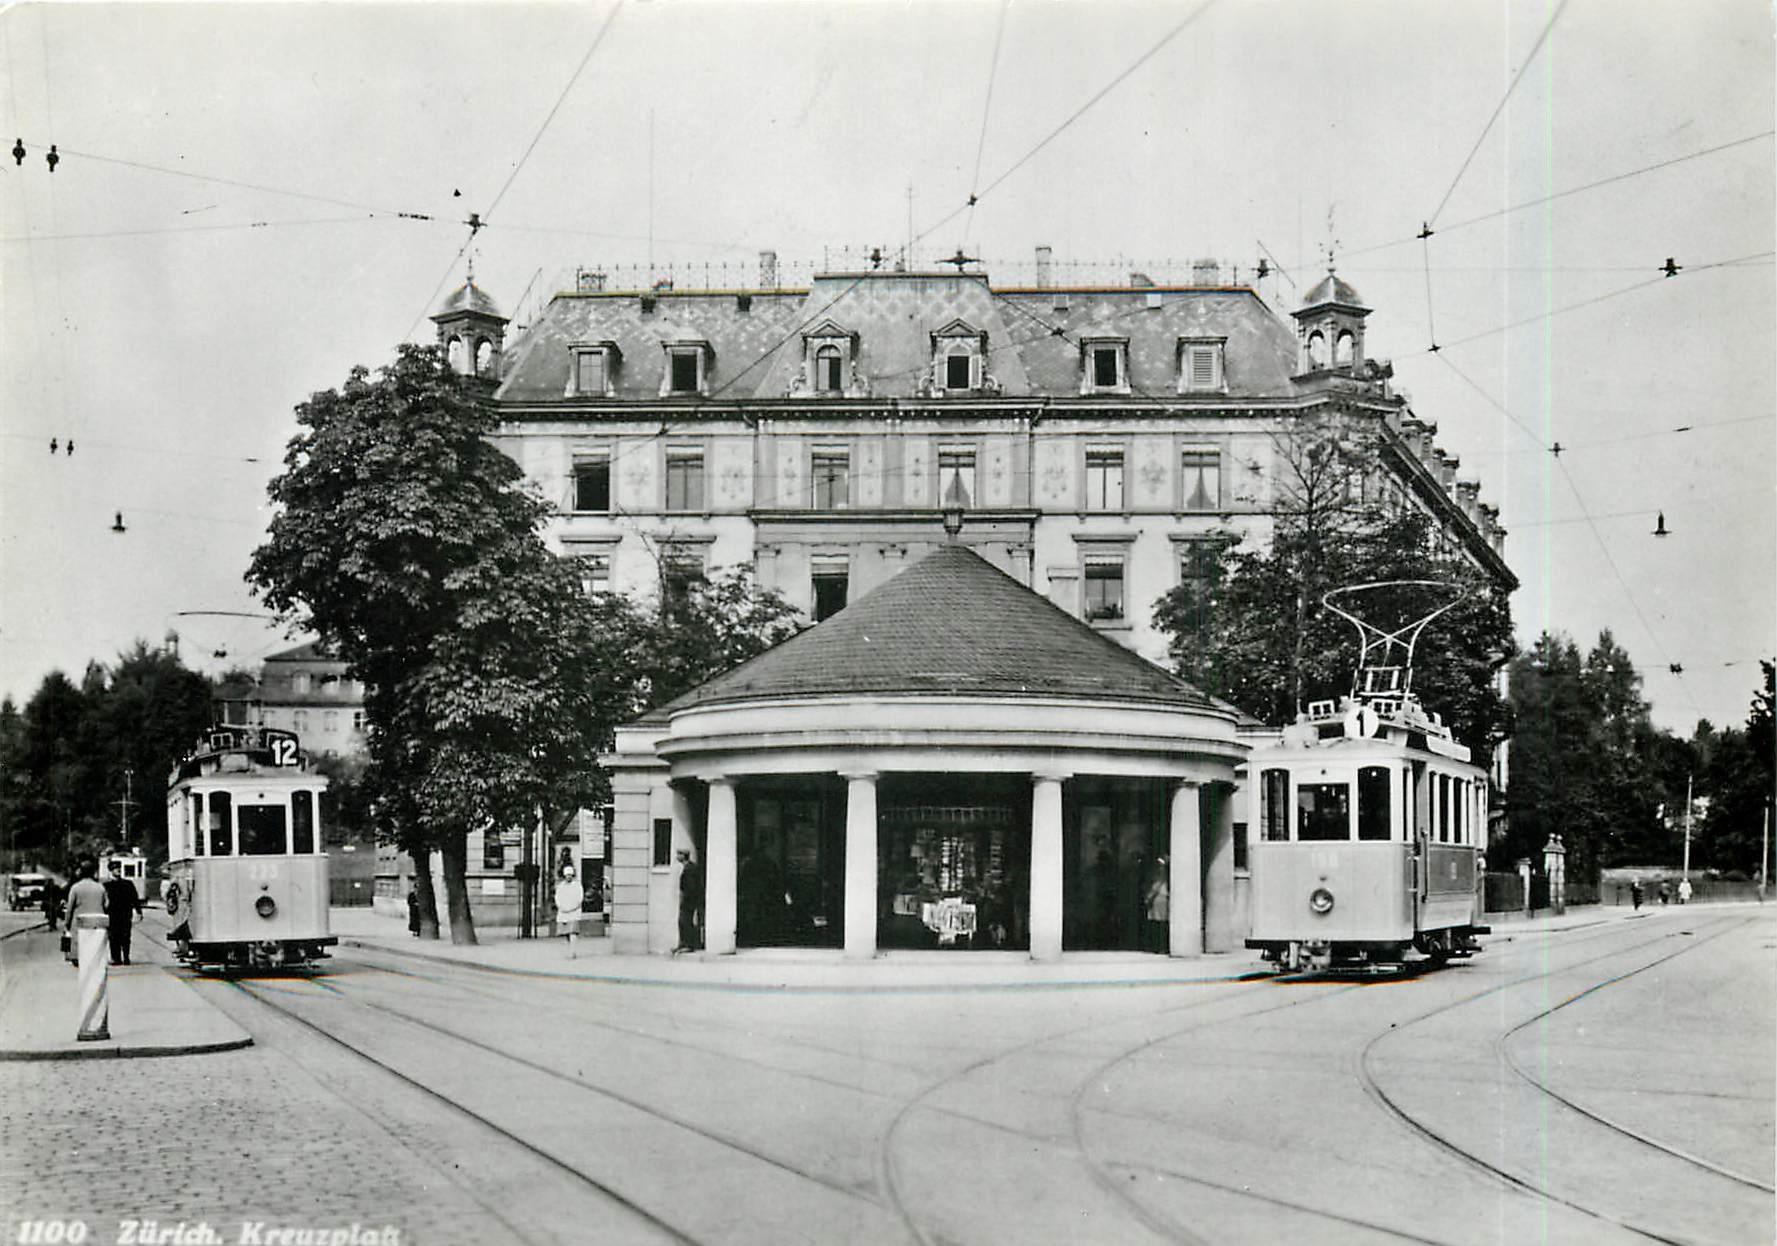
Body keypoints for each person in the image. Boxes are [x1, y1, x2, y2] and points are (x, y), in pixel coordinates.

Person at [62, 857, 106, 967]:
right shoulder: (100, 887)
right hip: (97, 923)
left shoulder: (75, 888)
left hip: (80, 924)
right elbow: (106, 905)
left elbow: (70, 908)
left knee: (79, 948)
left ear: (80, 872)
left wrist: (67, 924)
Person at [103, 865, 141, 965]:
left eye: (119, 868)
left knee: (126, 936)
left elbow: (135, 898)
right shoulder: (106, 886)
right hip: (112, 915)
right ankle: (116, 958)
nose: (118, 870)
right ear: (111, 871)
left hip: (125, 914)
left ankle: (126, 957)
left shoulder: (128, 884)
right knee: (113, 937)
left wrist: (139, 911)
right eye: (115, 869)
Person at [674, 848, 703, 953]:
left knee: (684, 921)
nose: (677, 856)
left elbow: (690, 887)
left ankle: (687, 944)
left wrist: (685, 898)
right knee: (684, 921)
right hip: (689, 900)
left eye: (679, 854)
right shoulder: (689, 867)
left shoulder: (689, 869)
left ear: (683, 856)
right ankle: (683, 944)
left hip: (689, 901)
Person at [1143, 860, 1170, 954]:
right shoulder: (1165, 875)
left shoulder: (1160, 876)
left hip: (1159, 900)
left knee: (1159, 924)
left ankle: (1159, 947)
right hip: (1162, 899)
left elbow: (1156, 887)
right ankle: (1160, 947)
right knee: (1161, 924)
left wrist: (1148, 898)